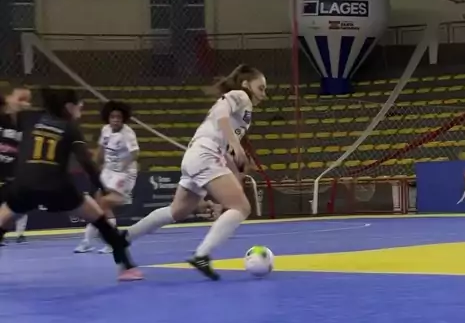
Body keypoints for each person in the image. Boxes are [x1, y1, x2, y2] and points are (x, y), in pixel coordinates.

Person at [125, 64, 267, 279]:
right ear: (246, 84)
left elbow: (225, 150)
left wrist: (238, 170)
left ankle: (126, 236)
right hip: (205, 154)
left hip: (197, 155)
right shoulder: (240, 95)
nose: (263, 94)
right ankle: (202, 255)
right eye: (261, 88)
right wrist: (236, 145)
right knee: (242, 207)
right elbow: (221, 115)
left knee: (177, 211)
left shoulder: (243, 112)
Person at [0, 88, 142, 282]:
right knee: (101, 221)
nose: (81, 106)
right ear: (68, 107)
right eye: (78, 104)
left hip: (24, 185)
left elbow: (8, 110)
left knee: (2, 221)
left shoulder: (29, 117)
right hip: (57, 187)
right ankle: (127, 268)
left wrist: (12, 100)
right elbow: (87, 163)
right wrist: (103, 189)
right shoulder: (69, 128)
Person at [75, 100, 139, 254]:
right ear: (108, 118)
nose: (115, 120)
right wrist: (94, 166)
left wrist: (123, 166)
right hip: (108, 170)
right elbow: (101, 149)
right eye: (112, 117)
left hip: (124, 172)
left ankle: (112, 242)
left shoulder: (128, 133)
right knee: (96, 206)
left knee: (104, 204)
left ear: (124, 118)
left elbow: (135, 153)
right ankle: (87, 242)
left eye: (119, 117)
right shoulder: (105, 129)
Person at [0, 85, 32, 245]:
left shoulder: (25, 123)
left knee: (20, 201)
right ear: (9, 98)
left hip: (13, 171)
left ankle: (19, 233)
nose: (24, 103)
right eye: (20, 99)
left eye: (27, 100)